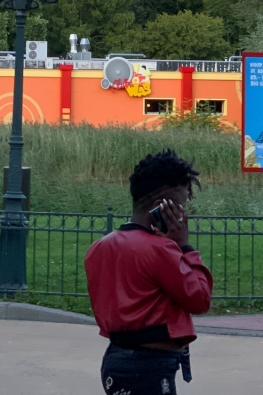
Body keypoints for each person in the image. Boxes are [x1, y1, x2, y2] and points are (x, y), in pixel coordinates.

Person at [84, 150, 213, 395]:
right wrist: (184, 245)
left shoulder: (98, 248)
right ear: (159, 208)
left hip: (115, 360)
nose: (183, 216)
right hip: (150, 366)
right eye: (179, 208)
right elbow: (200, 298)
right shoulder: (160, 249)